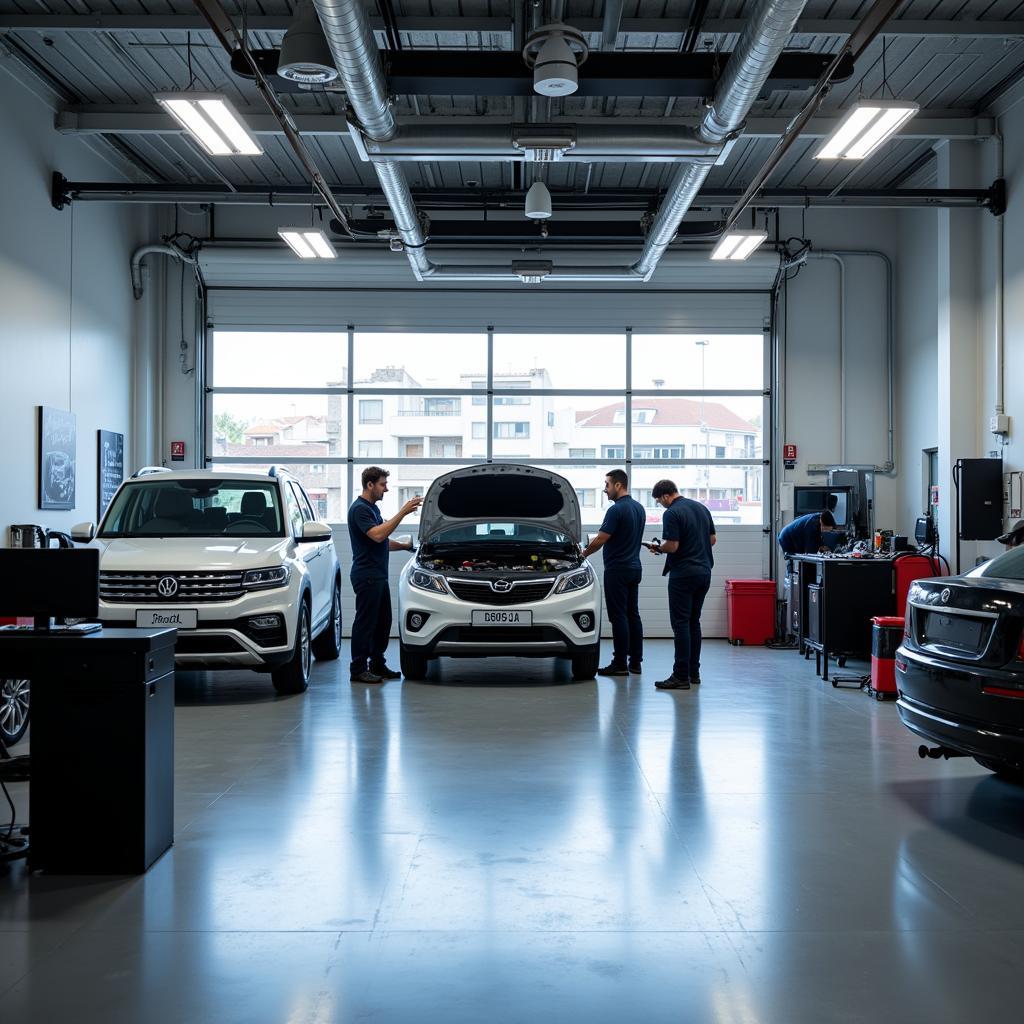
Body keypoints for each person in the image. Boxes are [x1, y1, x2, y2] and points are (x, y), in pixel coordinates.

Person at [347, 467, 422, 683]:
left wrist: (407, 546)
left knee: (383, 622)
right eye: (382, 484)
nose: (386, 489)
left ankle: (377, 664)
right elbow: (378, 535)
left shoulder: (372, 509)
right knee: (365, 623)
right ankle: (358, 669)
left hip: (377, 575)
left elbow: (383, 542)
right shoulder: (360, 510)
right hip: (366, 575)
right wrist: (403, 511)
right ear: (370, 485)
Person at [645, 480, 716, 691]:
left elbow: (672, 545)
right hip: (704, 572)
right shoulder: (701, 508)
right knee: (694, 622)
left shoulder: (672, 513)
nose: (661, 505)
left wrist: (658, 548)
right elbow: (712, 539)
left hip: (683, 574)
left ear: (665, 496)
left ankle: (680, 676)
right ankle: (694, 672)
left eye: (659, 501)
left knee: (681, 624)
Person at [580, 469, 647, 676]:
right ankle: (635, 662)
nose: (605, 489)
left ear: (618, 485)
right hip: (634, 568)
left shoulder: (616, 510)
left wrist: (583, 554)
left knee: (618, 616)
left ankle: (619, 664)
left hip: (617, 569)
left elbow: (601, 539)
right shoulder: (639, 508)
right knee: (632, 615)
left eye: (607, 485)